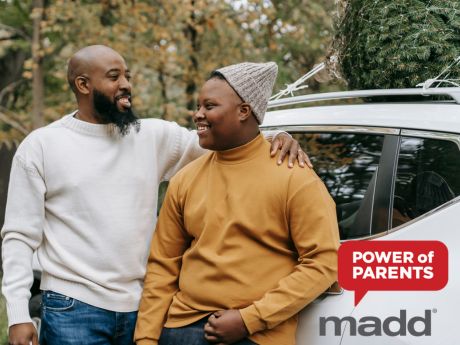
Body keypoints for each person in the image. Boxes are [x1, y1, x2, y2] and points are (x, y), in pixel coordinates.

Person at [1, 46, 310, 345]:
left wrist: (275, 137)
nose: (126, 85)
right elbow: (19, 235)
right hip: (72, 307)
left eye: (127, 76)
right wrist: (17, 314)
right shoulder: (42, 146)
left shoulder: (151, 135)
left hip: (143, 308)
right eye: (114, 77)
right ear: (83, 84)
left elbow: (227, 141)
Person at [134, 62, 340, 345]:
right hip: (179, 329)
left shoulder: (295, 178)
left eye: (210, 106)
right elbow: (163, 265)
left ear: (244, 111)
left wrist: (249, 320)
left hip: (255, 335)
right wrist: (146, 338)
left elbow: (324, 262)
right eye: (199, 106)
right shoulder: (185, 179)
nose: (198, 115)